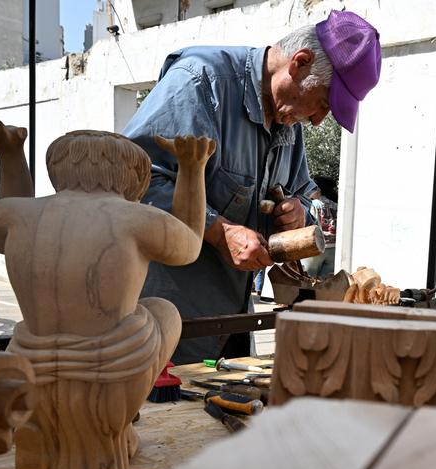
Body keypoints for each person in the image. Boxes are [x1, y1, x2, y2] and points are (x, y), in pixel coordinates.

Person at [123, 11, 381, 364]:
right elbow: (134, 180)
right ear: (300, 62)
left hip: (234, 324)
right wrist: (219, 230)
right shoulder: (200, 82)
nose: (320, 120)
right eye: (323, 103)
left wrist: (296, 212)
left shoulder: (289, 120)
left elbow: (303, 191)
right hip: (169, 325)